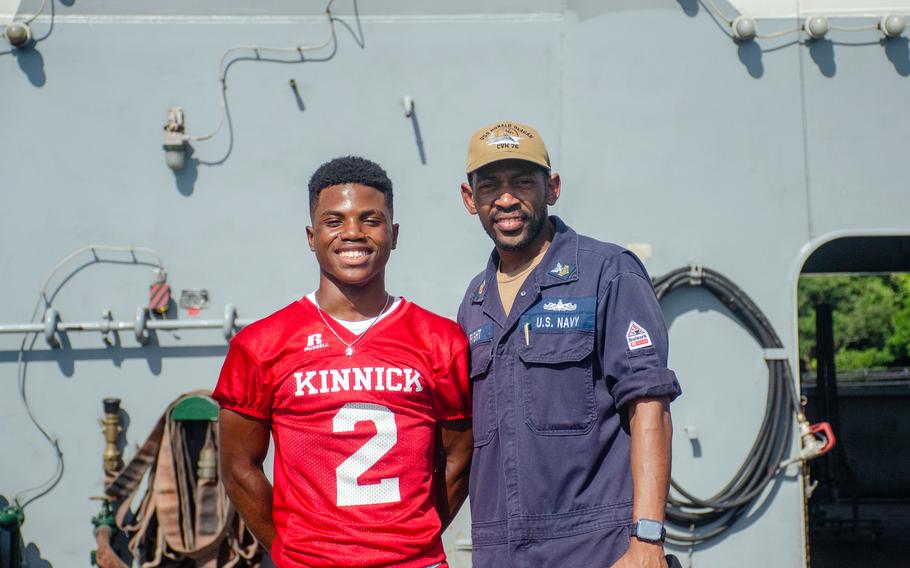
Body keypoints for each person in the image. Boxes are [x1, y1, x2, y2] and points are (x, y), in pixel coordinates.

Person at [214, 156, 473, 568]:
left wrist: (411, 540)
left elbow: (458, 459)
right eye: (334, 221)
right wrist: (289, 550)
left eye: (371, 220)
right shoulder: (260, 345)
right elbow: (238, 467)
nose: (353, 233)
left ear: (394, 233)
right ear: (311, 235)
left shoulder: (440, 341)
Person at [457, 121, 682, 568]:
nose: (506, 199)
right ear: (470, 199)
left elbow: (650, 407)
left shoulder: (607, 272)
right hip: (499, 550)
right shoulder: (473, 303)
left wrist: (648, 538)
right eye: (490, 186)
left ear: (552, 188)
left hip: (595, 547)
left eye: (522, 182)